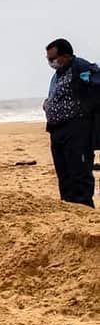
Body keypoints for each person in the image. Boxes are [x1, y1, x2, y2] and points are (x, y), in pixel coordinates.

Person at [44, 38, 98, 207]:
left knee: (79, 172)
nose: (50, 62)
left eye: (53, 58)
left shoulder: (81, 67)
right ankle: (68, 207)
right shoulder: (57, 75)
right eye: (48, 59)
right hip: (56, 130)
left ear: (66, 56)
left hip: (77, 127)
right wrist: (48, 104)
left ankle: (83, 207)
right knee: (64, 173)